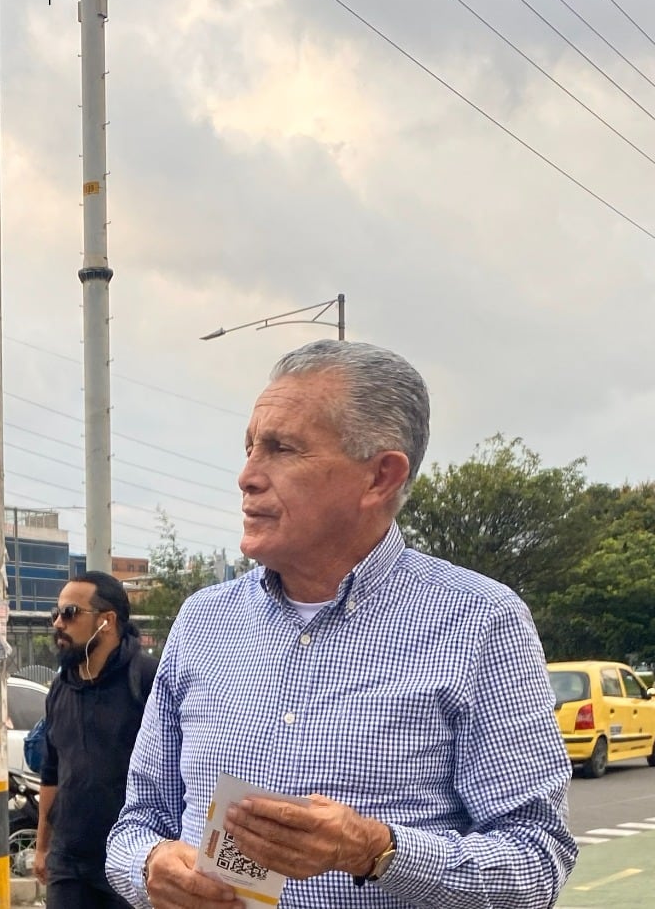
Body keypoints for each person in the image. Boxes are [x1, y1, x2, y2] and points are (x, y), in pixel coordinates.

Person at [105, 340, 576, 908]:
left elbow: (535, 861)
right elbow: (138, 820)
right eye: (250, 447)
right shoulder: (205, 621)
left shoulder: (479, 622)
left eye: (282, 448)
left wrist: (375, 852)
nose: (247, 476)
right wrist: (150, 868)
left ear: (379, 477)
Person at [34, 571, 157, 909]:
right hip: (69, 859)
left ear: (107, 621)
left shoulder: (146, 679)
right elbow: (52, 771)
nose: (59, 623)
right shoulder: (60, 688)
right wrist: (43, 846)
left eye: (70, 613)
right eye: (55, 614)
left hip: (131, 857)